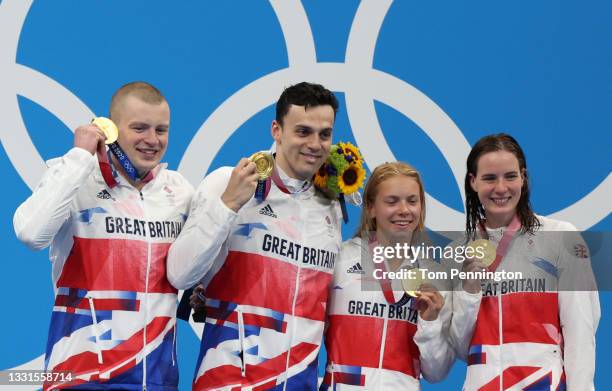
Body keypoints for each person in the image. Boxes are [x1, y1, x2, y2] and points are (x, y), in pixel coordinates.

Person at [13, 81, 193, 390]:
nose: (152, 140)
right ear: (110, 129)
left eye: (161, 130)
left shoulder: (178, 192)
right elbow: (30, 233)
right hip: (79, 377)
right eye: (139, 128)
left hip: (156, 380)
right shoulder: (76, 179)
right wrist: (79, 157)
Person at [167, 82, 343, 390]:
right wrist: (228, 205)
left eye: (324, 134)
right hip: (229, 381)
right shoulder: (229, 182)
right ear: (276, 130)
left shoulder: (330, 206)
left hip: (299, 382)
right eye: (303, 132)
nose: (315, 144)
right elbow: (180, 274)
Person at [453, 133, 600, 390]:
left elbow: (581, 333)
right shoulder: (459, 251)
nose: (501, 188)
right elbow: (458, 345)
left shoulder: (560, 236)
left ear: (523, 177)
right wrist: (469, 292)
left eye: (510, 176)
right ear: (473, 181)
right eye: (489, 178)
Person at [320, 162, 462, 390]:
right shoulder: (341, 260)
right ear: (370, 207)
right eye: (392, 201)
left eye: (412, 201)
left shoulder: (434, 276)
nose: (404, 210)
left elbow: (436, 373)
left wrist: (430, 322)